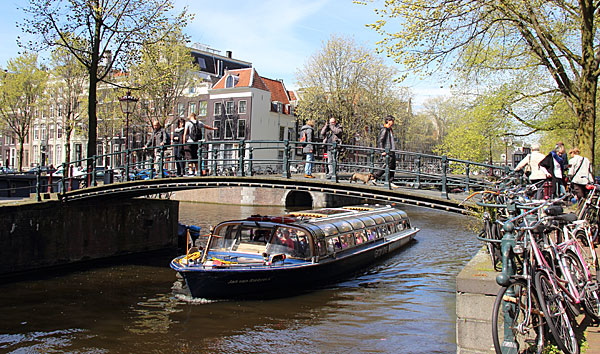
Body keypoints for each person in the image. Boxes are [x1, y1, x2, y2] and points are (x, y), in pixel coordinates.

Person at [372, 115, 397, 186]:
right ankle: (375, 176)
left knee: (392, 166)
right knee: (387, 165)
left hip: (391, 150)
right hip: (387, 151)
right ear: (388, 121)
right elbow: (381, 140)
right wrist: (382, 151)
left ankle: (390, 181)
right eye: (392, 121)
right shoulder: (385, 129)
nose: (393, 122)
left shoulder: (389, 129)